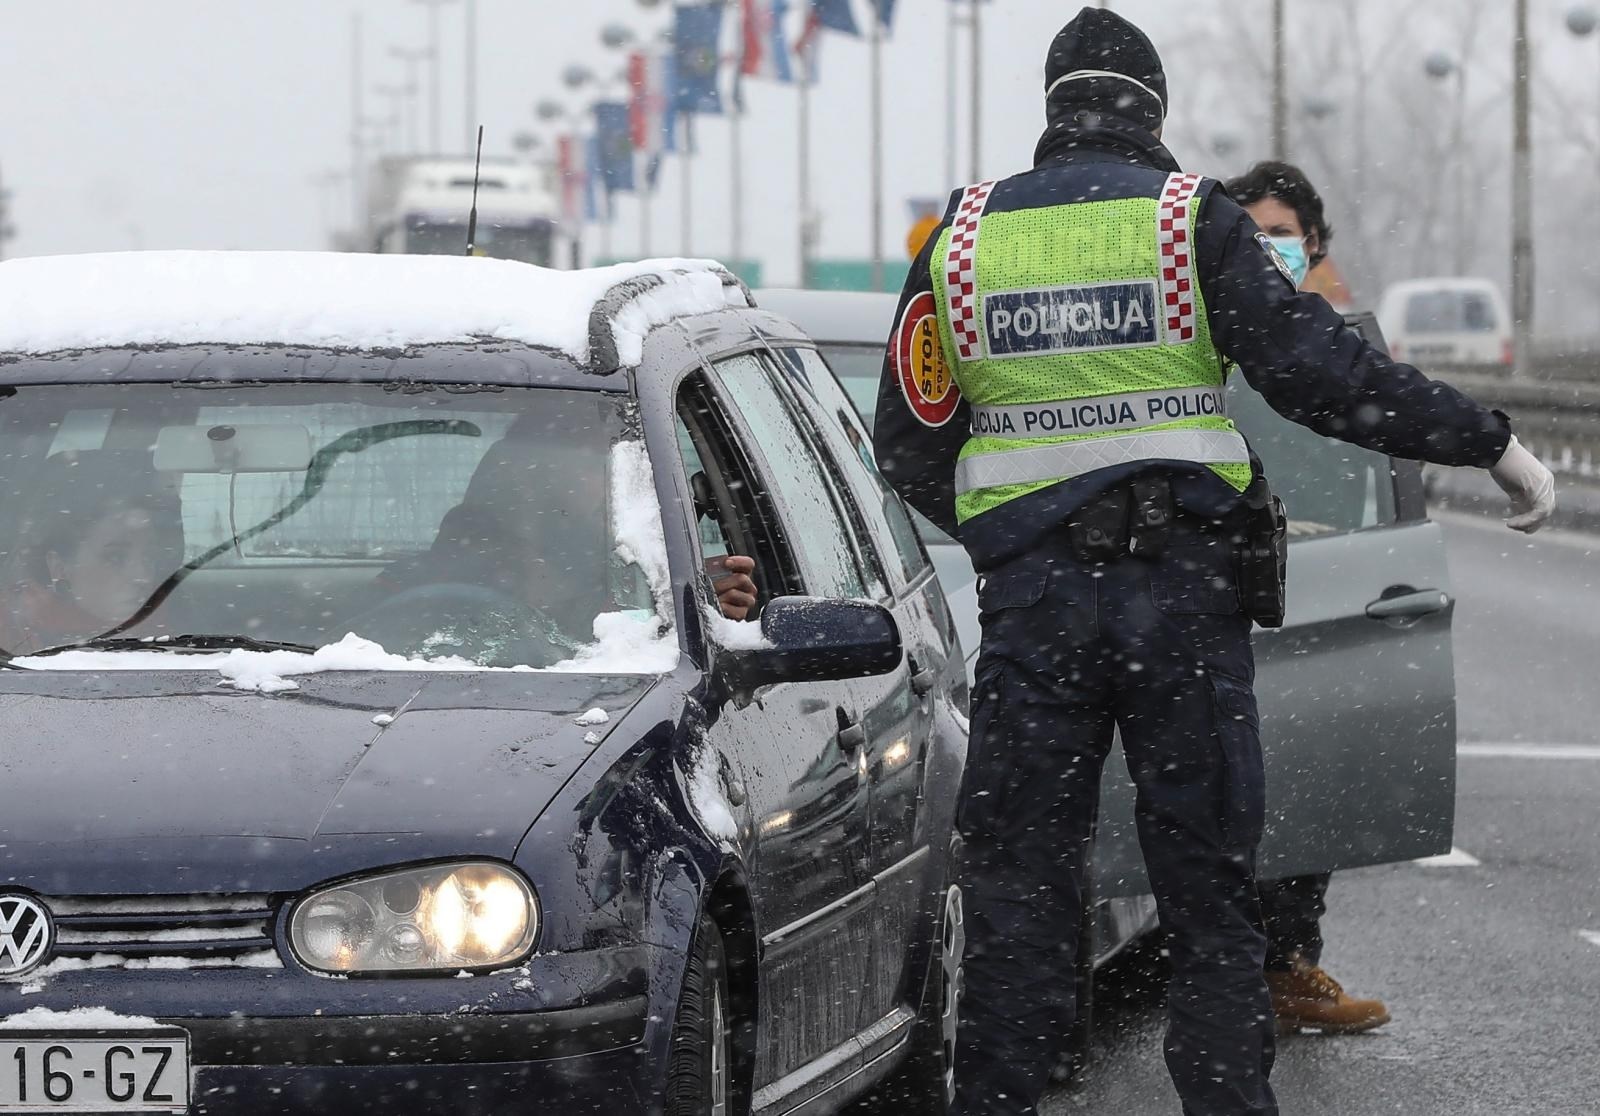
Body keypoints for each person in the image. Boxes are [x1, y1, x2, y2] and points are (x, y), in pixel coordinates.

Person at [872, 8, 1555, 1116]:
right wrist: (1488, 440)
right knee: (1206, 893)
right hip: (1180, 604)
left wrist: (1010, 533)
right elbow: (1320, 372)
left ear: (1051, 109)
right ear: (1152, 108)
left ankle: (999, 1096)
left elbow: (906, 442)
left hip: (1036, 611)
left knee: (1017, 893)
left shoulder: (961, 238)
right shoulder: (1192, 221)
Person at [1226, 159, 1390, 1037]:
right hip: (1214, 580)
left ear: (1315, 245)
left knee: (1307, 778)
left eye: (1282, 235)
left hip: (1317, 578)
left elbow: (1362, 461)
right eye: (1250, 234)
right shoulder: (1205, 337)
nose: (1268, 250)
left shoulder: (1336, 348)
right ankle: (1227, 961)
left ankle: (1289, 960)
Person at [0, 450, 178, 657]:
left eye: (149, 555)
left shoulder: (197, 644)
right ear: (58, 566)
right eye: (115, 558)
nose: (144, 575)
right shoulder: (9, 636)